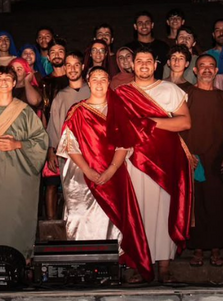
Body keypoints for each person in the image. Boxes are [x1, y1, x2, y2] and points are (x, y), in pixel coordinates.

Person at [59, 67, 153, 279]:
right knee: (82, 218)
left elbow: (124, 144)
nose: (99, 83)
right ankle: (83, 266)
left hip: (114, 173)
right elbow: (69, 145)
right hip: (82, 177)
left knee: (112, 220)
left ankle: (113, 267)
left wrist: (110, 170)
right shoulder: (77, 111)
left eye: (103, 79)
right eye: (95, 79)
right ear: (88, 82)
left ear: (109, 82)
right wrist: (88, 170)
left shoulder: (118, 109)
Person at [110, 48, 193, 282]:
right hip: (133, 160)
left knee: (164, 209)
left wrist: (149, 121)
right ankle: (139, 264)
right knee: (138, 211)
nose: (144, 65)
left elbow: (185, 122)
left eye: (149, 61)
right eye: (139, 61)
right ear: (132, 65)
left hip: (166, 160)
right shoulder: (121, 93)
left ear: (156, 65)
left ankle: (164, 267)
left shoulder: (170, 89)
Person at [0, 67, 50, 257]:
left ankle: (20, 258)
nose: (3, 82)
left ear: (14, 83)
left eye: (8, 78)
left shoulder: (25, 111)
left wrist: (18, 144)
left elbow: (41, 139)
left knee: (17, 214)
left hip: (20, 173)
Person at [183, 54, 223, 268]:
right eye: (202, 66)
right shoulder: (186, 95)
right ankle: (197, 249)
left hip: (217, 159)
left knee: (217, 204)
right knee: (196, 205)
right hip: (192, 159)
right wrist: (186, 154)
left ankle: (215, 248)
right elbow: (177, 126)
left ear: (216, 71)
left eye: (211, 66)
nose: (206, 69)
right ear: (195, 70)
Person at [44, 52, 89, 220]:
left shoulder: (92, 91)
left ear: (82, 67)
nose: (72, 69)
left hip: (91, 152)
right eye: (68, 65)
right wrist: (52, 150)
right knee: (72, 196)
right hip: (68, 155)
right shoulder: (60, 97)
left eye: (76, 65)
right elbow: (54, 125)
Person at [124, 12, 171, 80]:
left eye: (147, 22)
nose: (144, 25)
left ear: (152, 25)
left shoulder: (163, 47)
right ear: (135, 26)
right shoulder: (128, 48)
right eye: (140, 23)